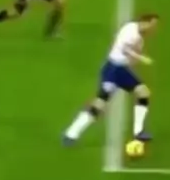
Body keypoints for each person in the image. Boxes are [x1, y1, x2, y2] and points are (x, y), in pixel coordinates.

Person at [63, 14, 159, 145]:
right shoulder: (131, 32)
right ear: (144, 22)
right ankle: (71, 133)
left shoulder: (136, 33)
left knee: (143, 93)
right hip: (113, 71)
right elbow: (124, 48)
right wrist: (141, 58)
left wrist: (134, 60)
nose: (154, 28)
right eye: (152, 25)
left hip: (122, 71)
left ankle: (139, 132)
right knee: (99, 104)